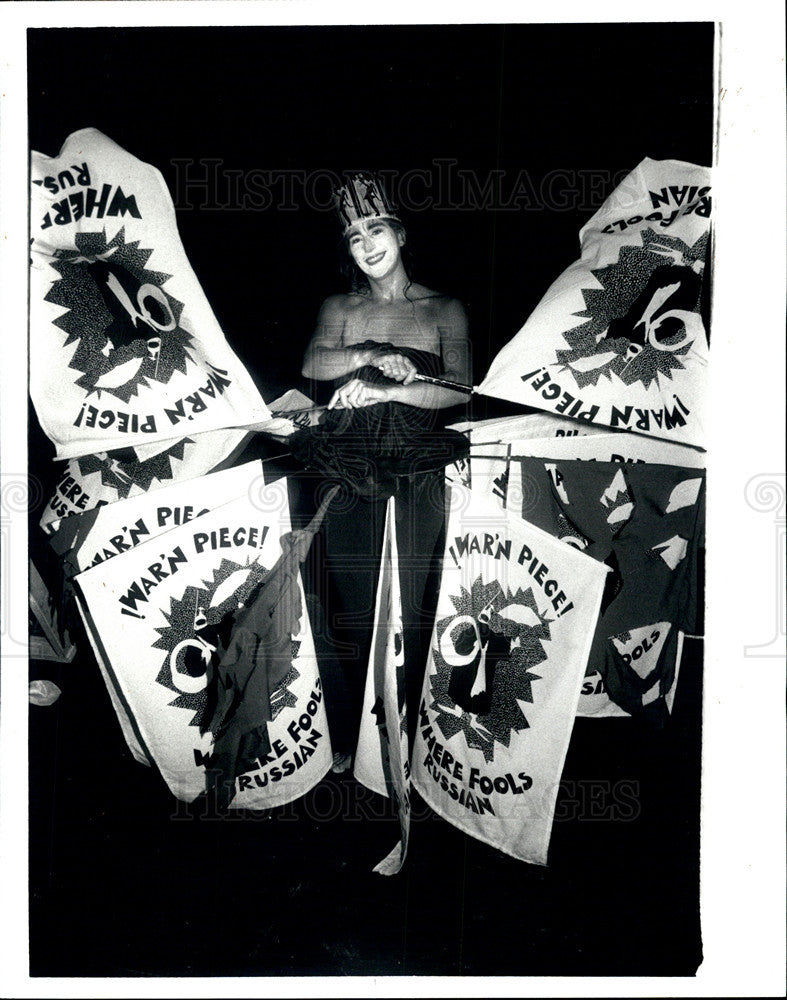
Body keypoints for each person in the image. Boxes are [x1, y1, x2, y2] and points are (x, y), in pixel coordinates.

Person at [297, 172, 471, 770]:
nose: (367, 244)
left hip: (419, 469)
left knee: (417, 608)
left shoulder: (444, 307)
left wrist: (388, 393)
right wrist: (371, 357)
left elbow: (457, 391)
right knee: (352, 606)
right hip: (348, 472)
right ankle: (349, 735)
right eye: (353, 236)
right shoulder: (339, 308)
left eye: (375, 229)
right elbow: (315, 362)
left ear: (399, 233)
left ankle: (415, 740)